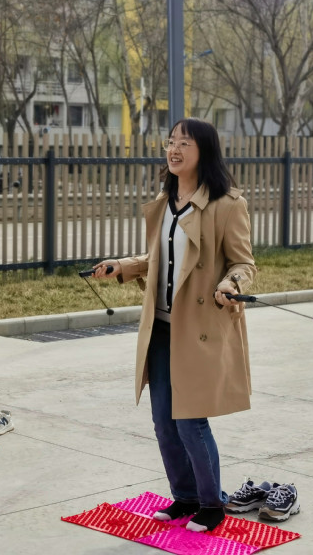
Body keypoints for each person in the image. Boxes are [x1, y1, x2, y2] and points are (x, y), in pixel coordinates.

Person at [91, 118, 256, 532]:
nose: (174, 149)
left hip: (198, 327)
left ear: (205, 151)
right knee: (164, 423)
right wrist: (122, 266)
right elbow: (159, 260)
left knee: (190, 421)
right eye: (171, 142)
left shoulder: (227, 204)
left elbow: (243, 262)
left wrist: (230, 283)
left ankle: (211, 504)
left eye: (185, 142)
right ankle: (184, 496)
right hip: (162, 328)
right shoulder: (164, 202)